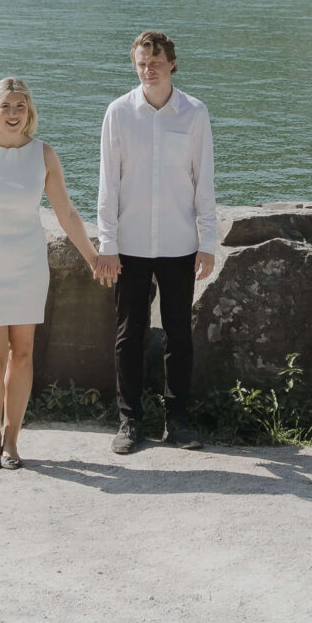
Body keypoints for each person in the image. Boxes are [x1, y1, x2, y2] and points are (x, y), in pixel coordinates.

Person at [0, 75, 107, 470]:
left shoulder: (44, 155)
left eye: (20, 106)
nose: (14, 114)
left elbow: (67, 213)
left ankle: (12, 441)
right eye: (6, 107)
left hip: (27, 266)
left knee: (22, 354)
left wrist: (92, 256)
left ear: (29, 112)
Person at [95, 29, 217, 455]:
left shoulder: (194, 113)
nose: (148, 69)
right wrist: (106, 243)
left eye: (156, 61)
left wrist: (208, 242)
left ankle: (178, 421)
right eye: (142, 62)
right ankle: (129, 422)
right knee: (130, 334)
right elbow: (108, 184)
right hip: (127, 245)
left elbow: (204, 182)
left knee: (180, 334)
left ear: (172, 64)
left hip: (180, 243)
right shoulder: (118, 113)